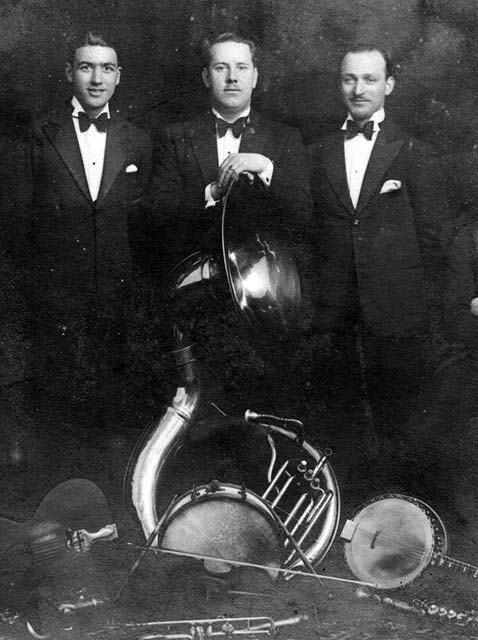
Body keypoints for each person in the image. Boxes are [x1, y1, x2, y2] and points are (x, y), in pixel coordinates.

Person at [308, 44, 451, 481]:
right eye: (350, 78)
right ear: (339, 84)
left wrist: (416, 305)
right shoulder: (317, 151)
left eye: (370, 79)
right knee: (339, 424)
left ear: (388, 85)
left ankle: (397, 518)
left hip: (398, 315)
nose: (359, 88)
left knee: (400, 424)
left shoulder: (414, 151)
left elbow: (436, 241)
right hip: (334, 317)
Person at [25, 31, 152, 434]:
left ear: (118, 76)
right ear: (69, 72)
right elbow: (19, 224)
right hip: (55, 304)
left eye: (106, 69)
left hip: (119, 304)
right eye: (86, 67)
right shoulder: (38, 134)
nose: (96, 79)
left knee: (113, 417)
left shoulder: (139, 141)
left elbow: (147, 227)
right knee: (53, 415)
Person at [148, 32, 312, 272]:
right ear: (206, 77)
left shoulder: (285, 137)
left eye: (242, 68)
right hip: (193, 281)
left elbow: (302, 214)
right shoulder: (174, 137)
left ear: (255, 77)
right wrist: (212, 192)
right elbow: (157, 213)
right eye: (221, 68)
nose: (232, 78)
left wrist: (266, 167)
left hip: (263, 283)